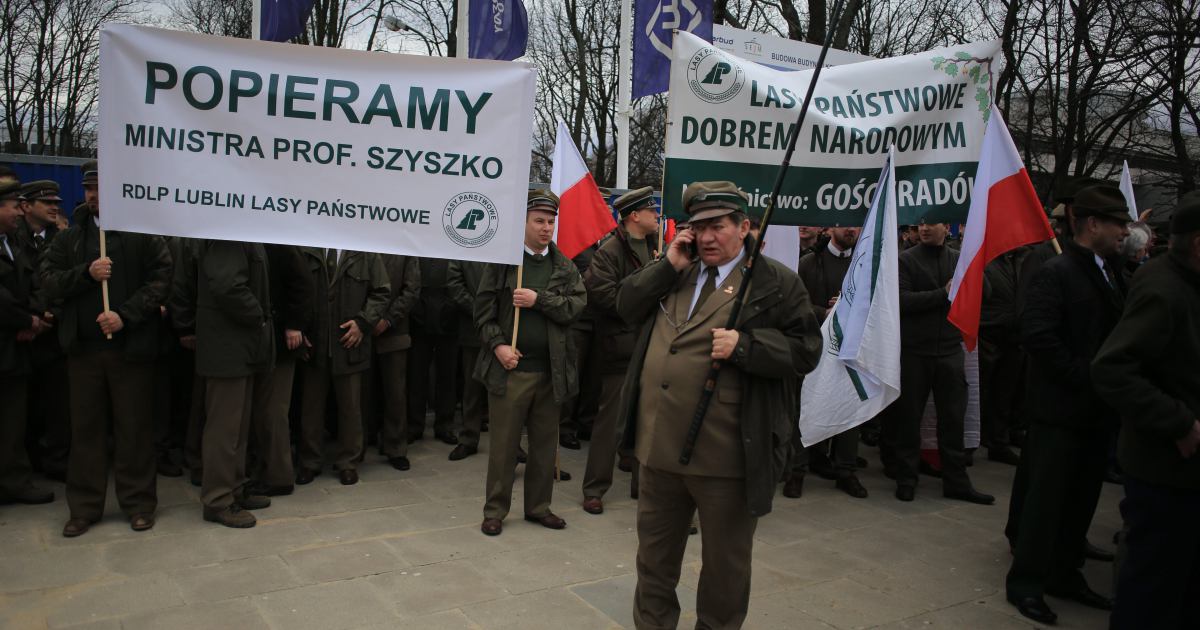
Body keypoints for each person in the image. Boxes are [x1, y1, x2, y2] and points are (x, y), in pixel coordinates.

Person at [617, 181, 822, 629]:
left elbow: (806, 350)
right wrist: (666, 264)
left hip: (727, 458)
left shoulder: (774, 282)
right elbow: (624, 306)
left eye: (718, 226)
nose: (707, 237)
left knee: (724, 573)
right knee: (653, 565)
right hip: (659, 451)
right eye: (698, 226)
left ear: (744, 226)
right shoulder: (677, 269)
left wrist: (747, 346)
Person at [1005, 185, 1131, 624]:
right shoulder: (1056, 271)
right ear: (1092, 224)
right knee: (1046, 502)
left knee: (1080, 500)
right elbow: (1039, 336)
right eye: (1118, 223)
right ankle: (1027, 583)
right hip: (1060, 411)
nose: (1125, 232)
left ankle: (1064, 573)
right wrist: (1084, 377)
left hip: (1095, 413)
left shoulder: (1109, 270)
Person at [41, 160, 171, 536]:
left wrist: (125, 316)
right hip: (83, 352)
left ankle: (138, 502)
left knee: (133, 430)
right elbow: (48, 281)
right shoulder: (70, 237)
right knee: (85, 431)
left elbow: (161, 279)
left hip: (130, 351)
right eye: (89, 189)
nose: (94, 196)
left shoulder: (141, 233)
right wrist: (86, 274)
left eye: (101, 188)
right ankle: (84, 506)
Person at [1093, 193, 1200, 630]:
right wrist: (1179, 421)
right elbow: (1113, 368)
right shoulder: (1163, 288)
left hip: (1182, 473)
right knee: (1152, 586)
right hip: (1166, 470)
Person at [476, 190, 585, 536]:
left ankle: (539, 507)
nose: (546, 228)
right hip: (511, 370)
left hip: (550, 372)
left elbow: (575, 307)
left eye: (551, 221)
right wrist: (498, 347)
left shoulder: (563, 266)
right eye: (539, 220)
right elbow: (482, 314)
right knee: (504, 447)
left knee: (543, 446)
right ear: (522, 223)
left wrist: (540, 300)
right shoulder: (504, 263)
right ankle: (495, 509)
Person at [881, 221, 994, 505]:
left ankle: (956, 481)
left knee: (952, 419)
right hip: (914, 352)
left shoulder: (959, 259)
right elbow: (902, 301)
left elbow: (987, 293)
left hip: (949, 351)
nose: (925, 229)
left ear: (947, 228)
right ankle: (906, 479)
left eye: (932, 223)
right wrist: (943, 294)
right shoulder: (905, 260)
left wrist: (973, 274)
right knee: (909, 419)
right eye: (921, 224)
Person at [173, 240, 276, 528]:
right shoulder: (225, 234)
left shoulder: (241, 231)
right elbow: (227, 286)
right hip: (227, 346)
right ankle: (218, 499)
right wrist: (258, 315)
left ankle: (235, 488)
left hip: (241, 347)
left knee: (238, 426)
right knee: (224, 428)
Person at [579, 186, 658, 514]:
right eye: (651, 210)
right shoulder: (610, 251)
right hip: (621, 348)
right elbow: (602, 296)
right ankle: (594, 488)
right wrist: (642, 297)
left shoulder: (656, 247)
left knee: (648, 422)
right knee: (610, 422)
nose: (656, 215)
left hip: (651, 347)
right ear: (634, 216)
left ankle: (645, 488)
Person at [295, 247, 389, 486]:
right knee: (311, 407)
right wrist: (299, 326)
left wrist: (363, 323)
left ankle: (348, 462)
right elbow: (296, 287)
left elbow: (381, 292)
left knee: (351, 407)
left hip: (349, 344)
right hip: (315, 343)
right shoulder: (308, 248)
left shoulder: (365, 251)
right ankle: (309, 461)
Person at [792, 224, 869, 498]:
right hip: (813, 346)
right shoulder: (809, 263)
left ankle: (845, 470)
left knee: (849, 406)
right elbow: (796, 303)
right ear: (832, 227)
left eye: (856, 226)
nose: (851, 230)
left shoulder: (863, 264)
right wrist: (826, 312)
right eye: (846, 225)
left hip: (849, 348)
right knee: (805, 405)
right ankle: (797, 470)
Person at [0, 177, 55, 506]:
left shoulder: (13, 243)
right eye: (11, 206)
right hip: (7, 338)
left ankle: (14, 479)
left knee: (13, 419)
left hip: (16, 347)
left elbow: (35, 282)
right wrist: (25, 321)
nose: (18, 213)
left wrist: (36, 319)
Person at [246, 244, 313, 496]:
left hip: (282, 342)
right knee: (264, 411)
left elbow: (303, 286)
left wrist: (296, 325)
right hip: (266, 341)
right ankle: (264, 470)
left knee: (273, 411)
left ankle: (278, 476)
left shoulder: (281, 244)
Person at [14, 180, 70, 481]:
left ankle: (55, 459)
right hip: (23, 333)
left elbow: (61, 281)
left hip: (51, 334)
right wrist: (31, 318)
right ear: (26, 206)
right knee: (25, 406)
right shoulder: (14, 239)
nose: (54, 207)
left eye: (56, 203)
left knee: (56, 402)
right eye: (46, 202)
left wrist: (51, 315)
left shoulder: (58, 239)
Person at [373, 253, 421, 470]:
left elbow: (412, 289)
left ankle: (396, 448)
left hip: (395, 330)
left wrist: (389, 319)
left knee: (395, 392)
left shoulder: (404, 246)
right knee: (358, 393)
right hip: (359, 330)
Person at [407, 257, 460, 446]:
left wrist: (453, 305)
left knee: (447, 375)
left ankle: (445, 425)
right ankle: (414, 425)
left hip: (449, 315)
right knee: (417, 375)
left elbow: (458, 279)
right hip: (419, 313)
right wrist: (415, 307)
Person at [446, 259, 489, 461]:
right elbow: (455, 284)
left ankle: (511, 445)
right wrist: (480, 311)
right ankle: (468, 439)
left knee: (505, 391)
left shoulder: (509, 244)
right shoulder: (467, 244)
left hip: (506, 329)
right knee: (472, 389)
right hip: (473, 328)